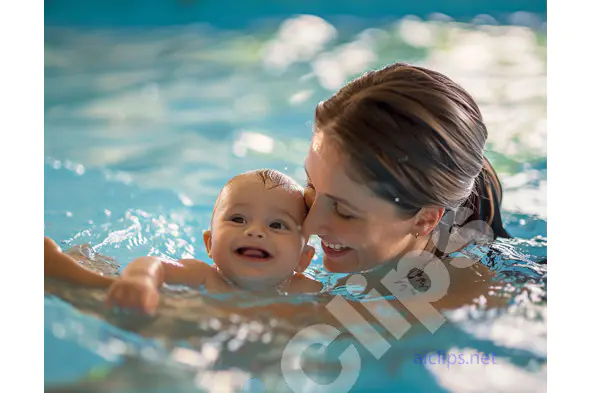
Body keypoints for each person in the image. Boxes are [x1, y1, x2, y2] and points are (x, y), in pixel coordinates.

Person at [301, 62, 510, 277]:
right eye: (311, 187)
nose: (308, 226)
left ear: (424, 219)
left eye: (344, 211)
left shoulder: (452, 302)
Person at [45, 169, 322, 314]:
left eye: (277, 225)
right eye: (237, 220)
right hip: (164, 319)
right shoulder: (202, 276)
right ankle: (76, 269)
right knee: (123, 297)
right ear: (210, 244)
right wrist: (141, 280)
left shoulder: (309, 291)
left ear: (303, 258)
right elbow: (156, 264)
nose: (255, 232)